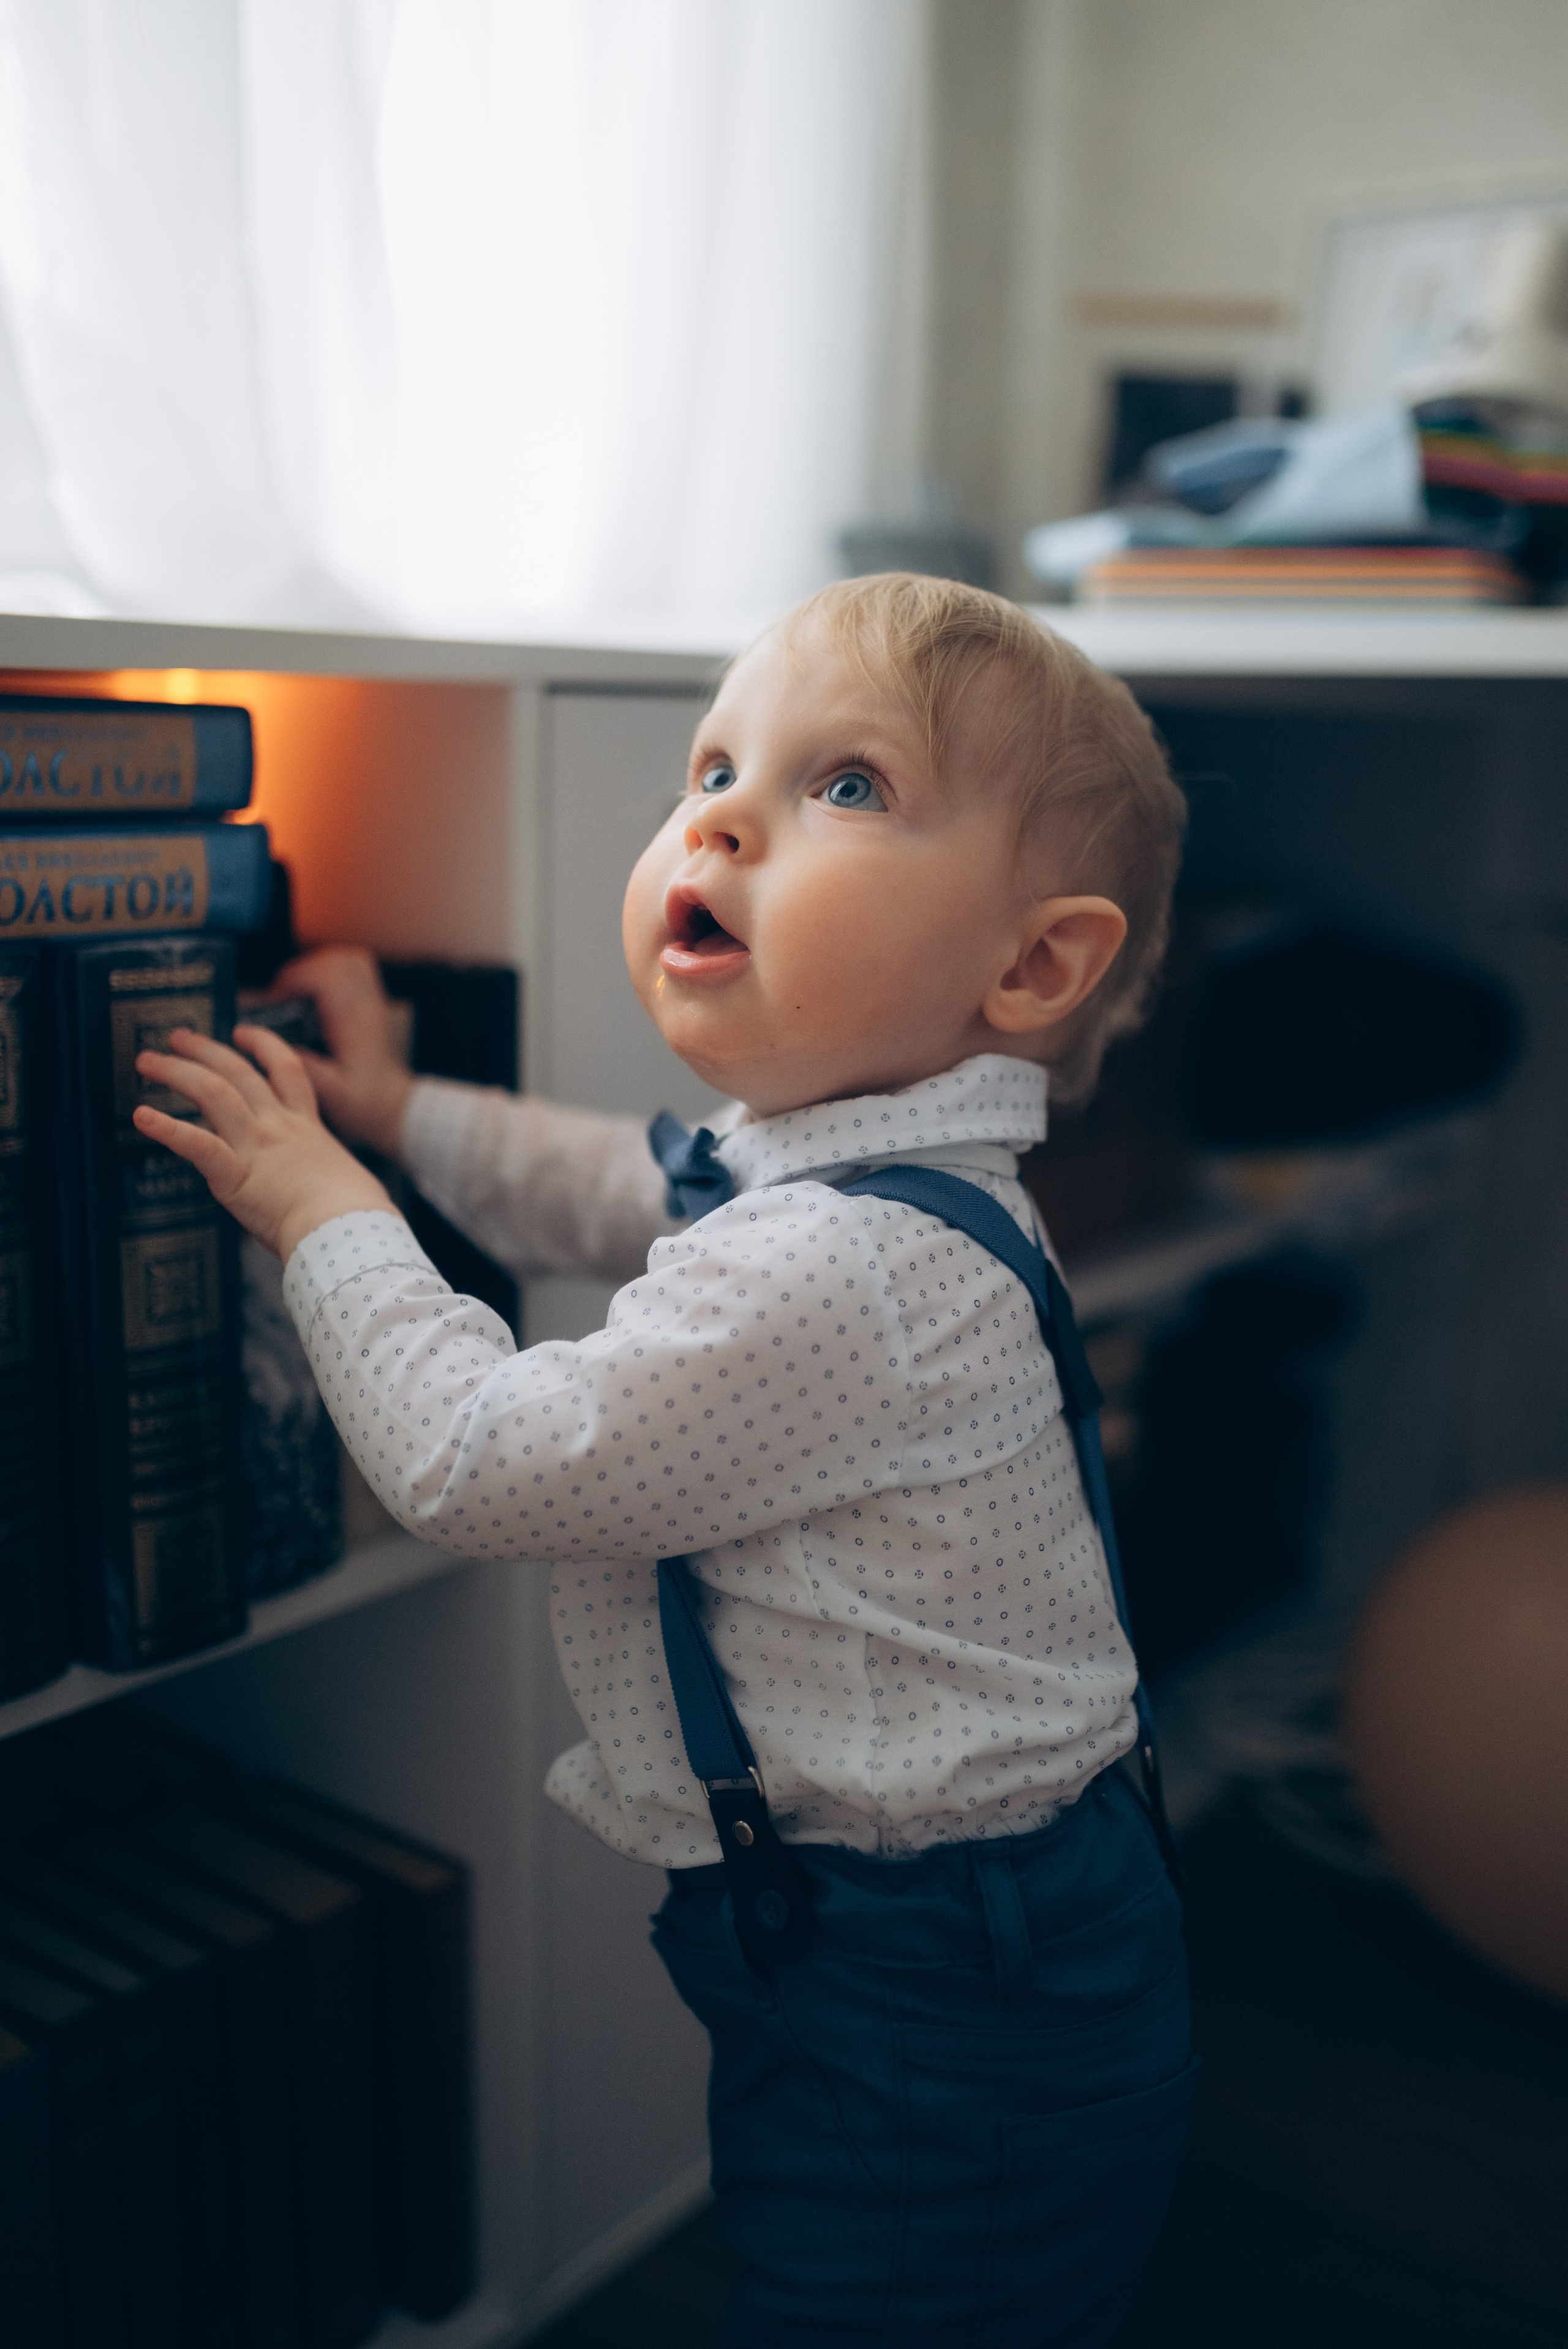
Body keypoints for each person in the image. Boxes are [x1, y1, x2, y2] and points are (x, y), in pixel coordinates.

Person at [135, 573, 1194, 2348]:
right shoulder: (860, 1171)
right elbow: (623, 1180)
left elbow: (486, 1458)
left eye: (843, 784)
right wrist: (399, 1111)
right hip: (967, 1926)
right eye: (714, 762)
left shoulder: (841, 1262)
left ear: (1030, 963)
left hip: (937, 1968)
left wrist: (326, 1205)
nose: (717, 811)